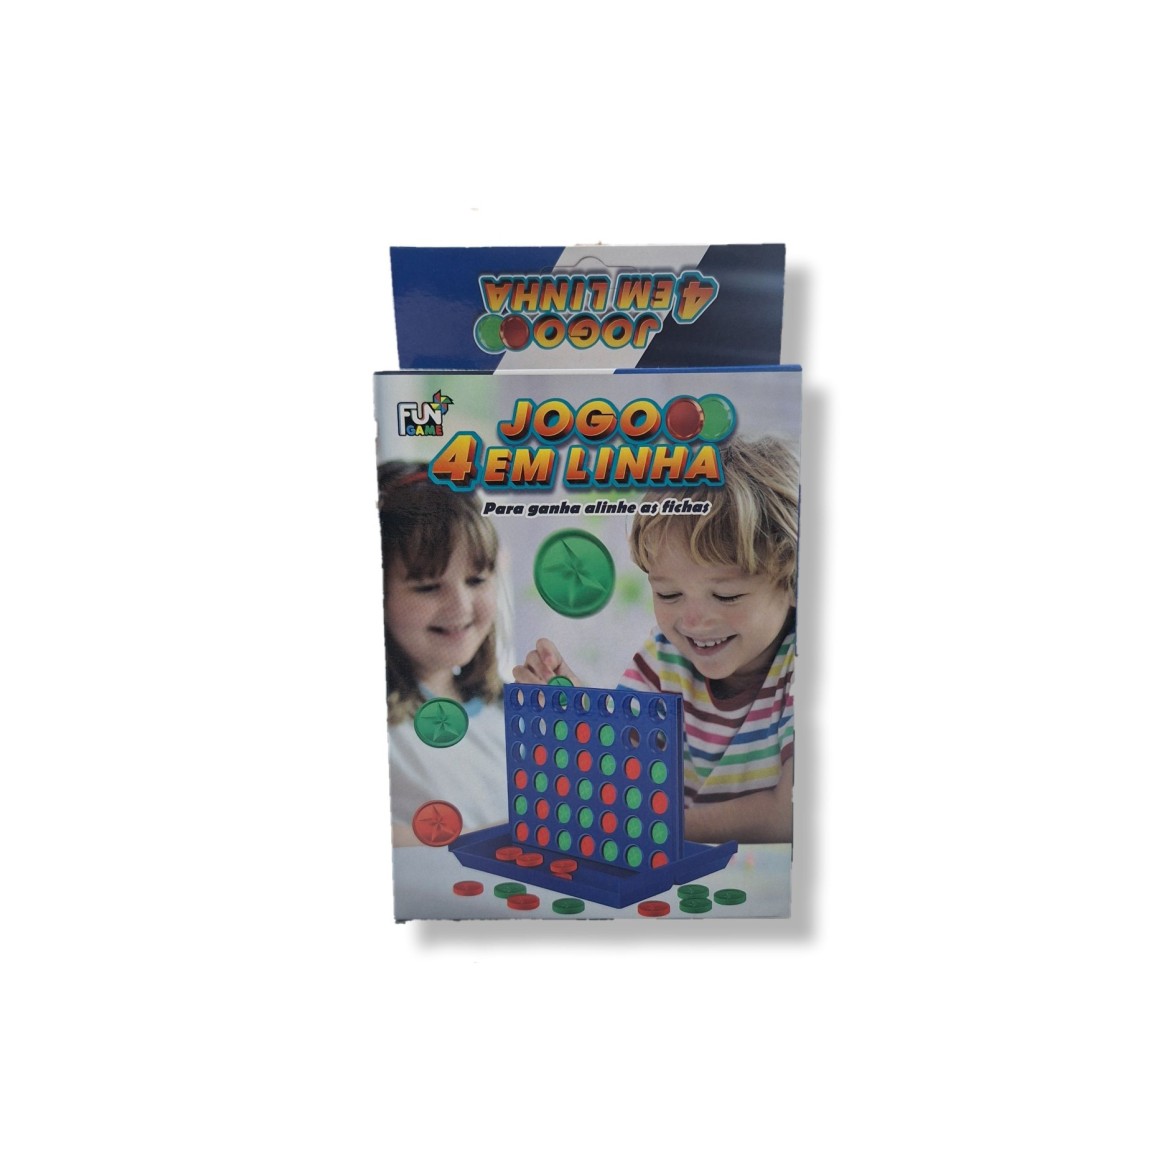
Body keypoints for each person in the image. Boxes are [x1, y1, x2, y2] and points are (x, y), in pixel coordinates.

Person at [513, 438, 797, 845]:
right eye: (668, 594)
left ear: (792, 581)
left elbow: (788, 813)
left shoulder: (801, 667)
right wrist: (574, 704)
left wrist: (659, 824)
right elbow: (626, 757)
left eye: (726, 595)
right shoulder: (666, 657)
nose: (693, 621)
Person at [379, 461, 509, 846]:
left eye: (477, 580)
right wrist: (500, 841)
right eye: (428, 587)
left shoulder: (505, 710)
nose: (461, 607)